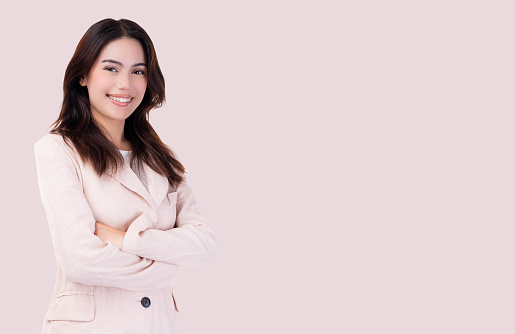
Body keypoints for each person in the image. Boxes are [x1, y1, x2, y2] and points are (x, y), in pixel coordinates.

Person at [33, 18, 218, 334]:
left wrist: (123, 239)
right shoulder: (58, 149)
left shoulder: (163, 157)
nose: (125, 84)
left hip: (159, 324)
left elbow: (204, 243)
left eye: (138, 71)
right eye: (110, 68)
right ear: (82, 75)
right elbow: (80, 259)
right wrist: (165, 266)